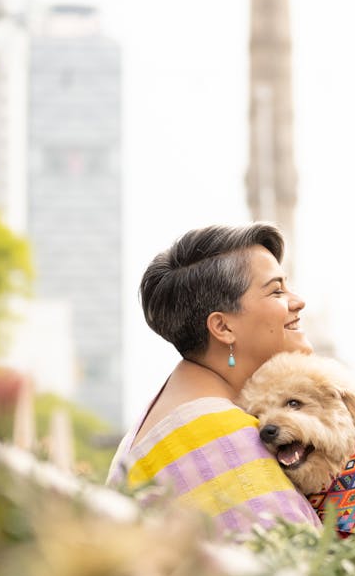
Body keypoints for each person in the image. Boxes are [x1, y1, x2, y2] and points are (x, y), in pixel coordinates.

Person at [107, 222, 322, 535]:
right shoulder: (223, 437)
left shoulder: (173, 413)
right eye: (276, 290)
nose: (297, 300)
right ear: (222, 328)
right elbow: (307, 570)